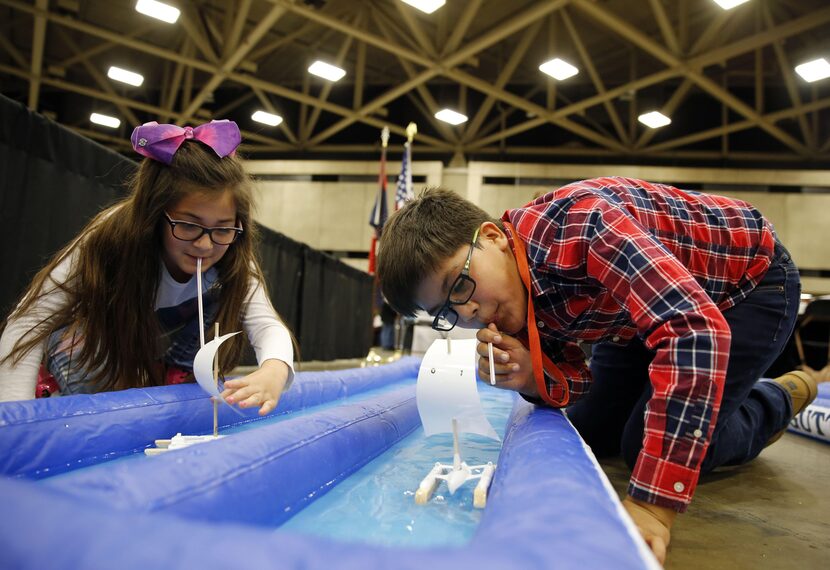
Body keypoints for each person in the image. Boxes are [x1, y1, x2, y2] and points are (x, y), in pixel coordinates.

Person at [376, 178, 820, 564]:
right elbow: (578, 379)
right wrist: (533, 376)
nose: (467, 309)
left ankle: (775, 399)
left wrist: (652, 506)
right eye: (446, 311)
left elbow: (695, 332)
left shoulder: (584, 226)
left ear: (493, 236)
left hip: (745, 287)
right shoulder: (511, 292)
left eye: (460, 283)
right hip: (635, 322)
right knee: (592, 427)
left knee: (642, 442)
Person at [0, 120, 294, 415]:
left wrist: (274, 370)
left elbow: (266, 324)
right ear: (154, 215)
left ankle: (176, 376)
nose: (205, 245)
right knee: (87, 373)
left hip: (165, 342)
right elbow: (30, 322)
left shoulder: (232, 246)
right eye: (189, 226)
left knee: (226, 290)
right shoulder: (111, 235)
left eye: (222, 229)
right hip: (98, 338)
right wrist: (14, 417)